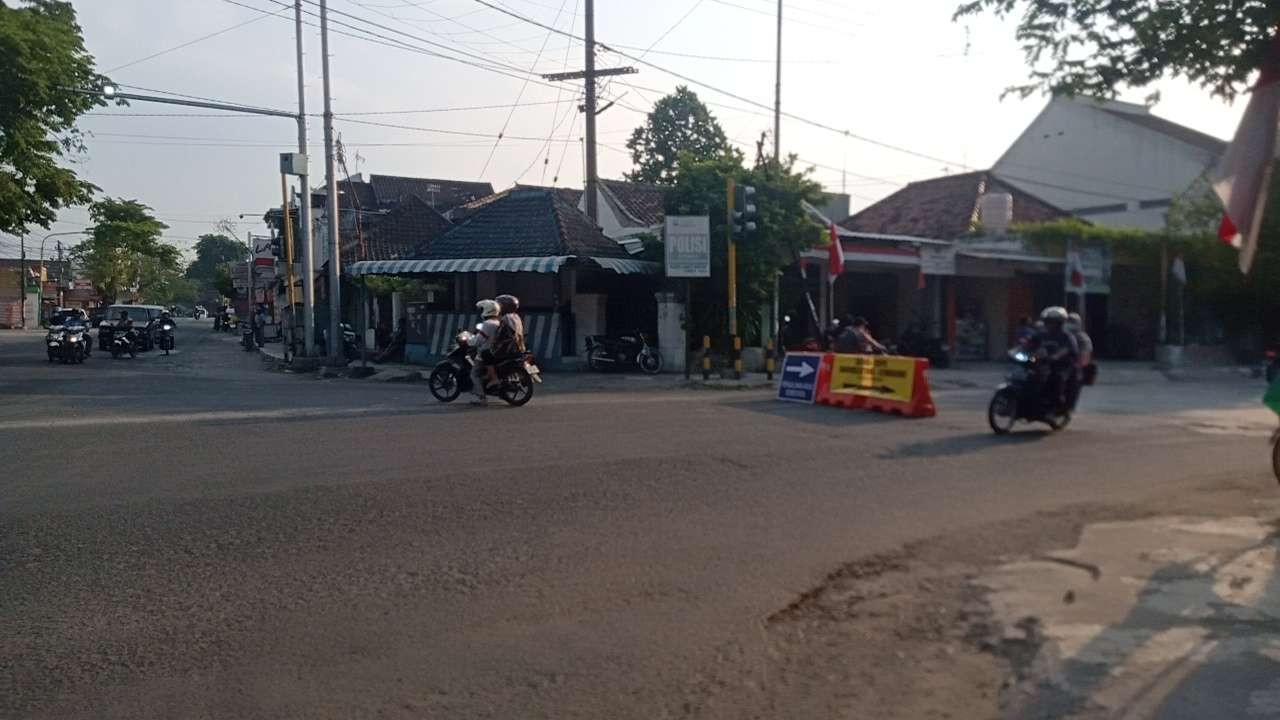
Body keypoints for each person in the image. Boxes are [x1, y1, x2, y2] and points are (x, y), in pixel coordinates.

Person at [1036, 306, 1079, 407]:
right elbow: (1029, 344)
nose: (1049, 324)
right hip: (1043, 362)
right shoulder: (1042, 334)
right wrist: (1018, 349)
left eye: (1052, 322)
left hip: (1062, 365)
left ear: (1060, 323)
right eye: (1048, 321)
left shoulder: (1066, 336)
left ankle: (1058, 402)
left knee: (1056, 377)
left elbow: (1067, 349)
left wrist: (1056, 356)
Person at [470, 299, 502, 406]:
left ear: (487, 310)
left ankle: (482, 398)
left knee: (474, 374)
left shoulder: (487, 324)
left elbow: (479, 340)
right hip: (496, 352)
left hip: (486, 352)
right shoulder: (498, 322)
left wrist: (471, 341)